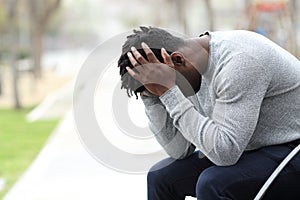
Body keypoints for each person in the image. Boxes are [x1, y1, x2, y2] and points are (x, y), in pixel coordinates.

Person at [117, 26, 300, 200]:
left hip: (292, 148)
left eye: (161, 87)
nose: (169, 92)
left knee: (213, 182)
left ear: (178, 59)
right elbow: (179, 150)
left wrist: (168, 91)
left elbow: (225, 153)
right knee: (161, 178)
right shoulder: (186, 68)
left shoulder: (240, 61)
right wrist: (151, 97)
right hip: (248, 148)